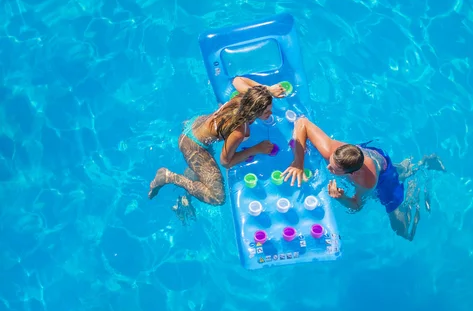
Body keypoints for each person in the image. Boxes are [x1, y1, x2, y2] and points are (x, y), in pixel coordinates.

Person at [282, 118, 446, 241]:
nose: (328, 168)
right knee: (397, 170)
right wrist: (298, 163)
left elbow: (357, 205)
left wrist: (341, 198)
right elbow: (302, 122)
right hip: (364, 154)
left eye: (334, 169)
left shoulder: (365, 181)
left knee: (401, 229)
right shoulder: (335, 151)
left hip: (380, 172)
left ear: (351, 174)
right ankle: (421, 162)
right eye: (331, 162)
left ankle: (421, 166)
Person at [148, 77, 286, 206]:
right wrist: (255, 149)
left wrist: (268, 90)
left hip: (194, 124)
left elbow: (237, 80)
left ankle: (193, 172)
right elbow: (225, 162)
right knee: (218, 198)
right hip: (193, 145)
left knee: (201, 169)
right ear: (254, 111)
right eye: (267, 111)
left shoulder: (245, 97)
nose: (271, 114)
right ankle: (168, 177)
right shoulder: (238, 131)